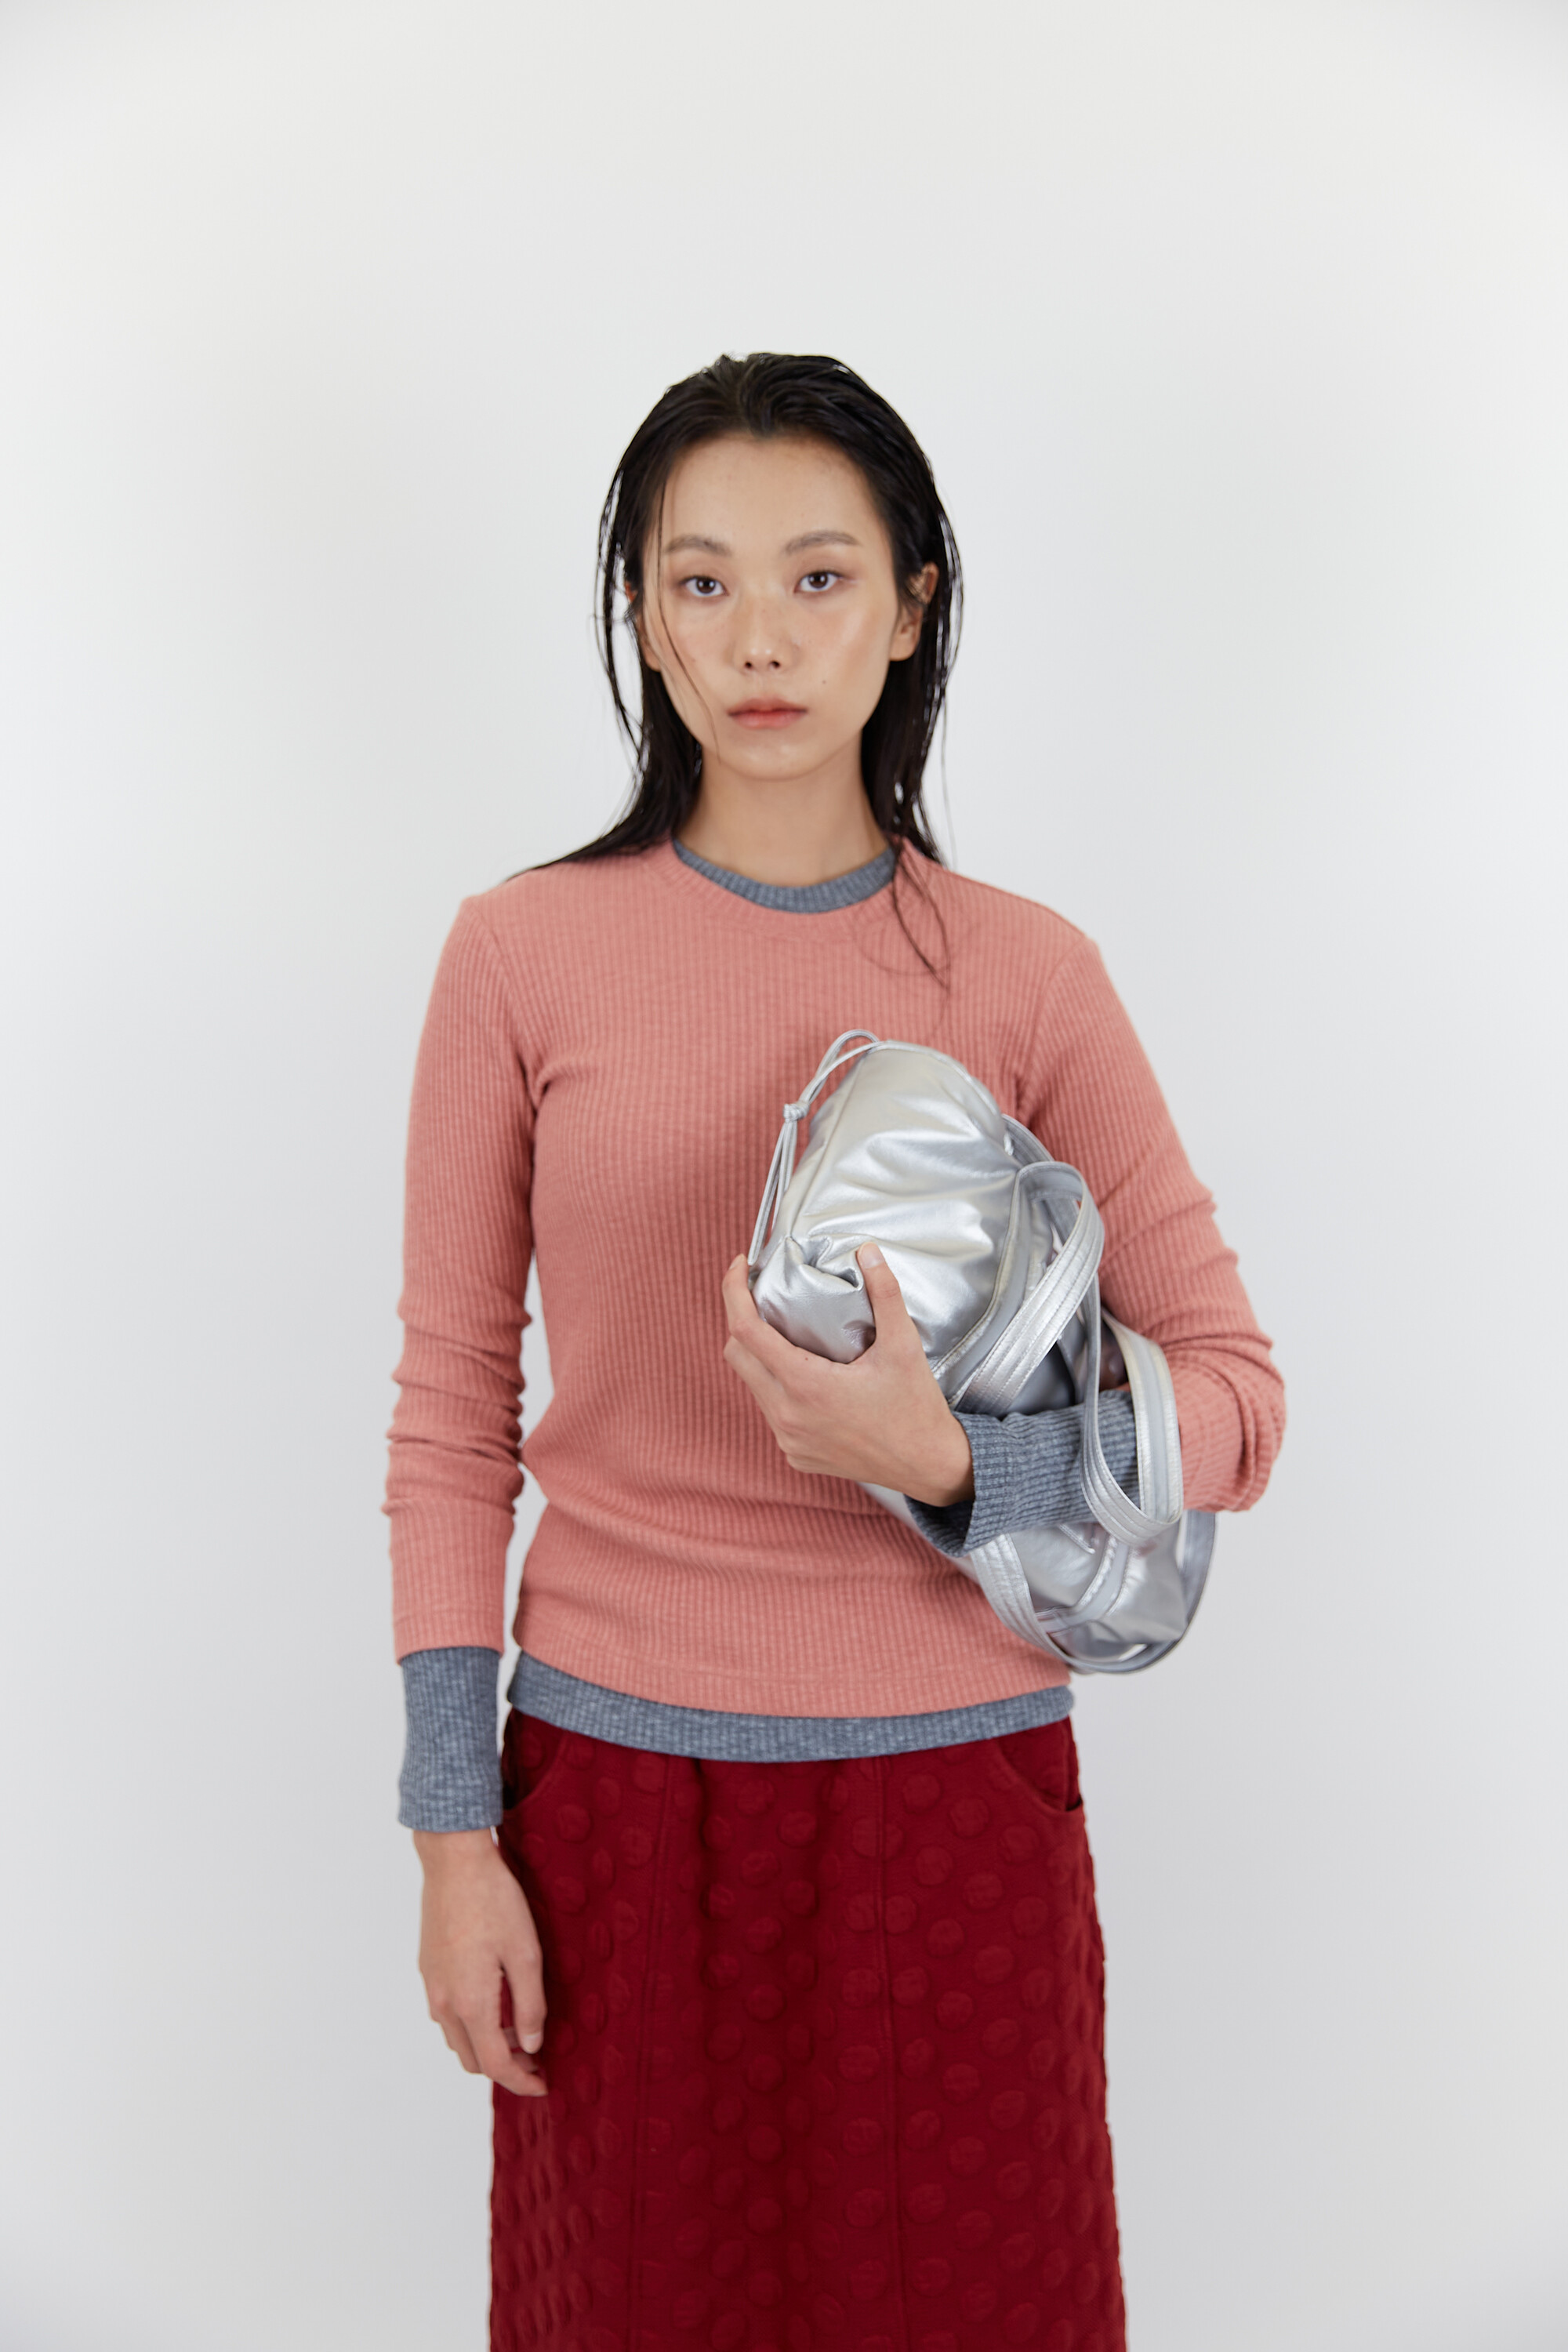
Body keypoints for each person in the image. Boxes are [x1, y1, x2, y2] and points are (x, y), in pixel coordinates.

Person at [386, 352, 1284, 2352]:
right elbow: (450, 1419)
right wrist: (454, 1834)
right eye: (698, 583)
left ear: (910, 603)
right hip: (613, 1807)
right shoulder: (519, 954)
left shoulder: (1024, 973)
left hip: (955, 1809)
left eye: (816, 577)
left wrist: (956, 1464)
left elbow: (1235, 1404)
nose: (758, 640)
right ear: (640, 617)